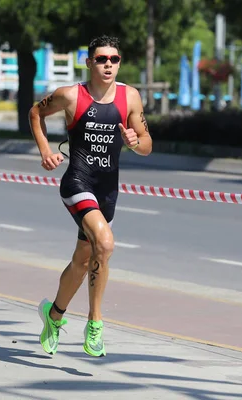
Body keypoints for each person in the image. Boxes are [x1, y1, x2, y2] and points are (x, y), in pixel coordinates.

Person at [28, 35, 152, 357]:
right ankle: (95, 322)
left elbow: (147, 145)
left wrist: (133, 141)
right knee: (106, 243)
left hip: (108, 189)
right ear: (89, 63)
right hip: (77, 183)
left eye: (114, 59)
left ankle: (53, 315)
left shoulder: (131, 98)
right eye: (101, 59)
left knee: (84, 260)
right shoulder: (70, 96)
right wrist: (45, 151)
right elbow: (35, 113)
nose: (108, 64)